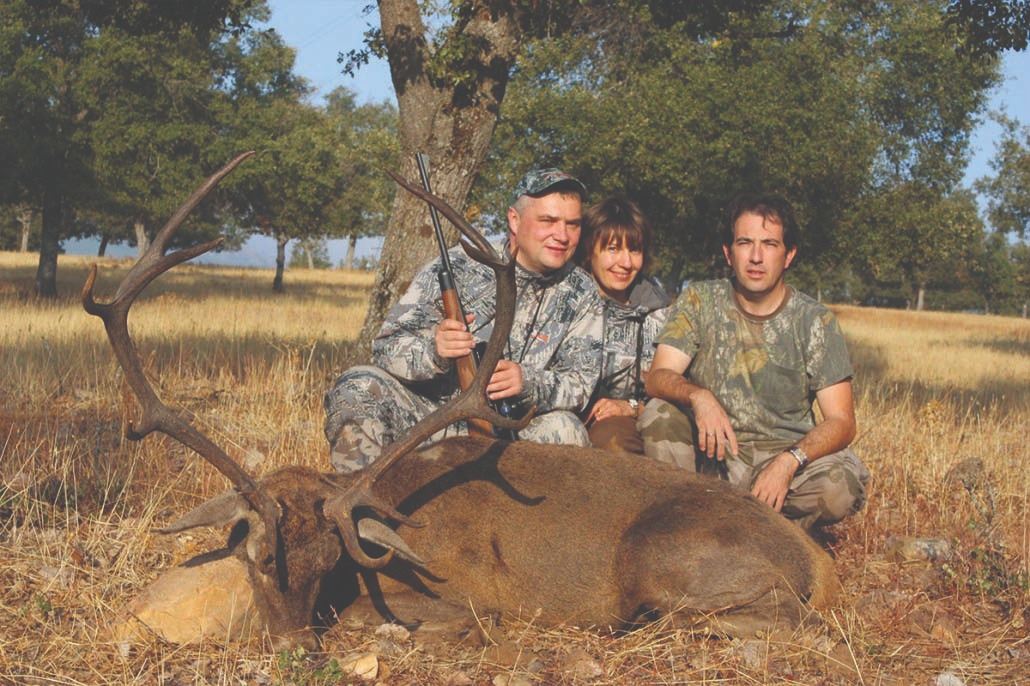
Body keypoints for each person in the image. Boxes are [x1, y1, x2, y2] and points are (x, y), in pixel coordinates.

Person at [324, 168, 603, 472]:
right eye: (548, 221)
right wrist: (434, 351)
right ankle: (365, 497)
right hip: (434, 420)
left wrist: (527, 382)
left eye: (573, 224)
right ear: (514, 220)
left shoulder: (581, 291)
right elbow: (385, 349)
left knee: (567, 429)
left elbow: (581, 383)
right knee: (359, 385)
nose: (562, 235)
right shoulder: (459, 265)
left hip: (512, 433)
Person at [639, 192, 869, 530]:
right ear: (728, 253)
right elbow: (658, 376)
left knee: (839, 488)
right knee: (658, 414)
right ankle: (689, 524)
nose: (756, 257)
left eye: (770, 244)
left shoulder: (815, 321)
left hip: (783, 460)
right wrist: (698, 396)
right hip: (712, 456)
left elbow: (842, 422)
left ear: (789, 255)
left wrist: (789, 462)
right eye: (745, 243)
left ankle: (768, 532)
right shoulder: (699, 300)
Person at [576, 196, 670, 454]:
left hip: (619, 422)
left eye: (635, 250)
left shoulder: (659, 314)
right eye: (613, 249)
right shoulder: (566, 302)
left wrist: (630, 407)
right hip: (563, 416)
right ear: (589, 250)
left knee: (613, 441)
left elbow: (671, 390)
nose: (626, 263)